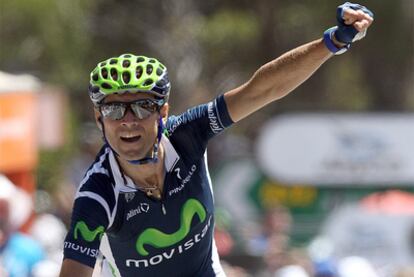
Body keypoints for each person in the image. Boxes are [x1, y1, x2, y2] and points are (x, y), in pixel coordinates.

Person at [59, 3, 374, 276]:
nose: (128, 120)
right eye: (113, 109)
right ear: (99, 120)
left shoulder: (187, 134)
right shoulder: (97, 193)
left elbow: (260, 89)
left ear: (163, 112)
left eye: (142, 106)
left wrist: (332, 42)